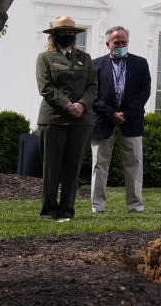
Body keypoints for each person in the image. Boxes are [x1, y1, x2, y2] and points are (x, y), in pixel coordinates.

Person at [36, 15, 97, 221]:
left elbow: (92, 86)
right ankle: (49, 211)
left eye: (71, 33)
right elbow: (46, 87)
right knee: (51, 168)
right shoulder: (45, 58)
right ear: (55, 35)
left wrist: (82, 105)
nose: (68, 36)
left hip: (81, 120)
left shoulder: (85, 58)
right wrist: (67, 105)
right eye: (63, 33)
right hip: (53, 119)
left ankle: (67, 211)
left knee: (73, 167)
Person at [90, 26, 152, 213]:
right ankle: (97, 207)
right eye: (117, 43)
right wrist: (110, 114)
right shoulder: (95, 65)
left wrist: (126, 113)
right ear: (108, 44)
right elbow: (92, 94)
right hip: (103, 122)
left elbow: (144, 92)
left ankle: (135, 206)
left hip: (131, 122)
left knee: (134, 165)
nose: (121, 45)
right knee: (99, 166)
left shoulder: (140, 64)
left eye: (124, 42)